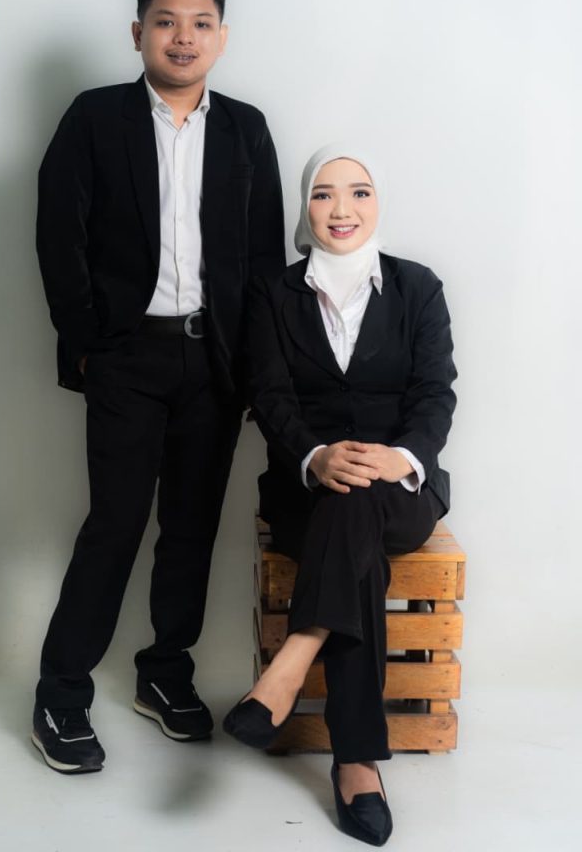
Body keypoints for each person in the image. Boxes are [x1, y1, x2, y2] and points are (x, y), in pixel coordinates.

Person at [32, 0, 285, 773]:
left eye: (201, 23)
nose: (184, 37)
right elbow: (59, 237)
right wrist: (91, 343)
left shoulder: (245, 129)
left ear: (222, 37)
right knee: (114, 523)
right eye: (167, 21)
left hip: (214, 360)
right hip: (127, 357)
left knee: (191, 527)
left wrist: (253, 368)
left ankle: (164, 672)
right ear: (138, 32)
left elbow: (263, 261)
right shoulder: (95, 118)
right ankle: (60, 692)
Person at [223, 145, 456, 845]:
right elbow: (268, 395)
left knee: (358, 497)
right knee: (347, 511)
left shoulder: (418, 288)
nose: (342, 209)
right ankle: (357, 761)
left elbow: (435, 394)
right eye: (323, 194)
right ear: (306, 207)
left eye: (358, 192)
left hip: (401, 492)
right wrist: (317, 455)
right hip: (306, 492)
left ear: (377, 201)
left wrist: (399, 457)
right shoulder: (273, 293)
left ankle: (291, 664)